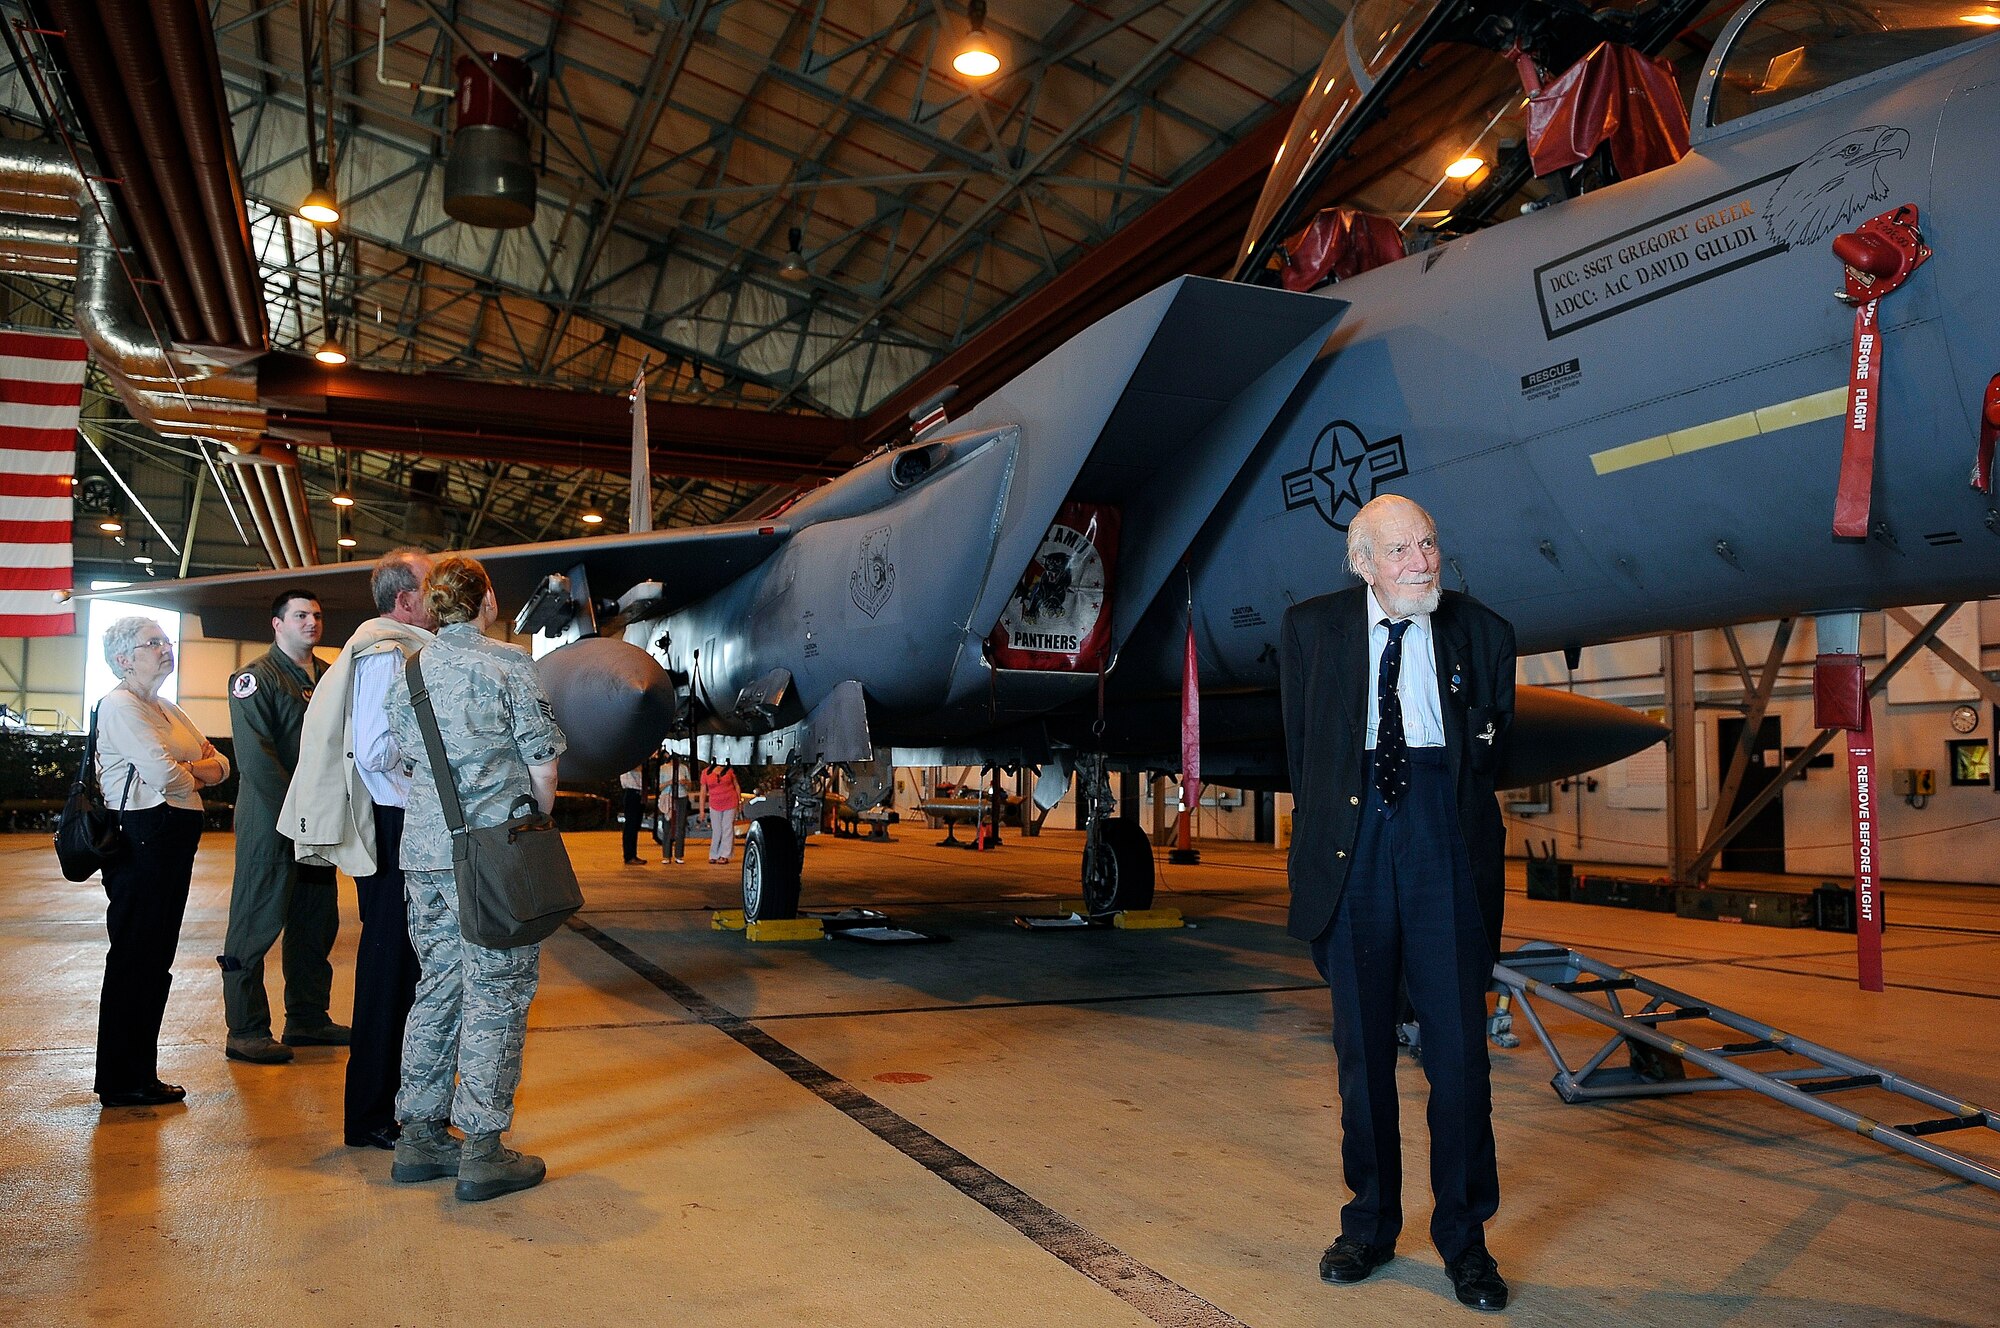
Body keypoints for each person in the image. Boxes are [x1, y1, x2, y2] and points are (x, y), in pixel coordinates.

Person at [1277, 494, 1515, 1313]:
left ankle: (1465, 1241)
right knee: (1363, 1058)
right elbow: (1302, 758)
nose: (1423, 561)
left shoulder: (1483, 635)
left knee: (1460, 1060)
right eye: (1403, 550)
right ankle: (1370, 1226)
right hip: (1353, 845)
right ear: (1363, 564)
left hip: (1441, 840)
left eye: (1429, 543)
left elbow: (1491, 759)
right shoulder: (1311, 632)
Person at [383, 554, 565, 1203]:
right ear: (485, 600)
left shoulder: (408, 670)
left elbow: (404, 758)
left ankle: (420, 1136)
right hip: (495, 855)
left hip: (426, 855)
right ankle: (483, 1148)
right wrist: (536, 818)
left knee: (438, 986)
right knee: (498, 991)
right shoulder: (508, 662)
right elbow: (543, 760)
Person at [280, 550, 435, 1150]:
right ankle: (370, 1115)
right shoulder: (386, 653)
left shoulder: (397, 647)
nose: (441, 598)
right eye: (430, 588)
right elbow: (375, 751)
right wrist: (436, 780)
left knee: (404, 968)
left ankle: (390, 1105)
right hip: (394, 822)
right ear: (405, 601)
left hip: (399, 820)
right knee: (388, 968)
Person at [92, 616, 230, 1107]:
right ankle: (120, 1078)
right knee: (135, 955)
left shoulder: (166, 707)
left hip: (173, 837)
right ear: (123, 659)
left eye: (166, 641)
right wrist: (194, 770)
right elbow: (163, 774)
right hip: (141, 840)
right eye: (153, 643)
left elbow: (221, 764)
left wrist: (188, 770)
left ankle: (139, 1073)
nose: (165, 649)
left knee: (156, 958)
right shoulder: (119, 705)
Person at [219, 589, 346, 1064]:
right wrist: (295, 816)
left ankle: (308, 1018)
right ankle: (246, 1028)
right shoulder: (254, 679)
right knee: (256, 919)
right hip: (272, 820)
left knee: (315, 920)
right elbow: (256, 759)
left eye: (316, 614)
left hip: (319, 820)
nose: (311, 622)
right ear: (277, 624)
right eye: (299, 615)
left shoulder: (332, 677)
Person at [701, 761, 740, 865]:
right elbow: (703, 791)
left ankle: (724, 855)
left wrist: (739, 802)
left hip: (730, 801)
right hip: (715, 804)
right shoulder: (705, 772)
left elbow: (736, 786)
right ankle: (714, 854)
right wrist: (702, 810)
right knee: (717, 830)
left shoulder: (729, 771)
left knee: (727, 828)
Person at [656, 754, 689, 865]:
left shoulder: (683, 768)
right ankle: (666, 855)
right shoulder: (663, 768)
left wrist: (685, 782)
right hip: (667, 798)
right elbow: (659, 786)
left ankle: (679, 855)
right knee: (667, 826)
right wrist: (670, 782)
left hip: (681, 797)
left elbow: (689, 784)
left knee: (680, 826)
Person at [619, 764, 647, 864]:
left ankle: (632, 855)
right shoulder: (628, 759)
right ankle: (629, 856)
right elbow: (637, 767)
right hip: (631, 792)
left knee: (634, 826)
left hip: (638, 792)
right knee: (630, 825)